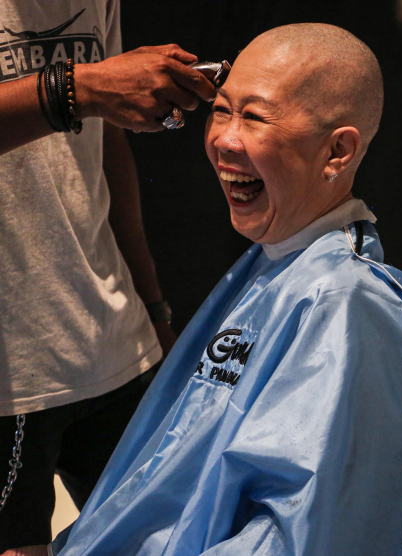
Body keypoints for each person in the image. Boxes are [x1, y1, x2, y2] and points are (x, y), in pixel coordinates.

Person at [52, 23, 402, 556]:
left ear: (338, 151)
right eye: (221, 110)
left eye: (253, 117)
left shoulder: (347, 306)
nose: (224, 138)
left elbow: (292, 533)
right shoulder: (275, 268)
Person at [0, 2, 218, 555]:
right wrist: (76, 89)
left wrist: (153, 304)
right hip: (13, 370)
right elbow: (88, 99)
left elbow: (103, 145)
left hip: (112, 335)